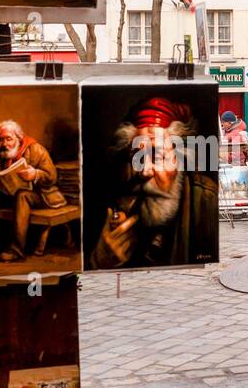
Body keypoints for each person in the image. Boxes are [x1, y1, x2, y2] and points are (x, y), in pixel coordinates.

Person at [89, 96, 217, 269]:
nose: (144, 171)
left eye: (157, 156)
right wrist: (100, 261)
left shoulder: (207, 201)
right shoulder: (118, 196)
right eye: (137, 156)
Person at [0, 119, 68, 262]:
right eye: (1, 139)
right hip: (9, 194)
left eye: (8, 139)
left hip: (39, 196)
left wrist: (35, 174)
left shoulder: (36, 149)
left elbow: (51, 177)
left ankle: (16, 250)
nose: (4, 144)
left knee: (22, 195)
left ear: (19, 138)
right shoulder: (2, 152)